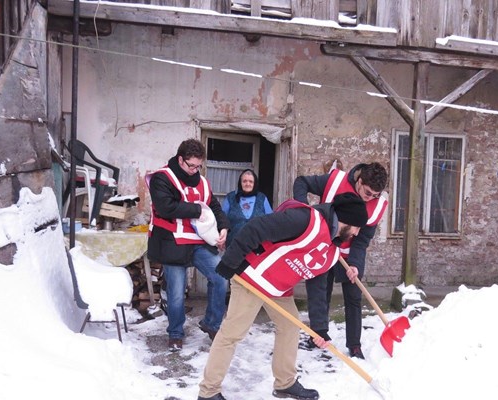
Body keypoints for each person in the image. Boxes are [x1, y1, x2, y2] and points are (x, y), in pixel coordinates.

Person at [197, 193, 368, 400]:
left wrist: (319, 330)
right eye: (358, 227)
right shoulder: (305, 220)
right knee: (232, 333)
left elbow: (318, 288)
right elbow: (256, 227)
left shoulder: (332, 249)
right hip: (252, 278)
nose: (358, 234)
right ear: (347, 220)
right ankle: (208, 391)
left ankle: (285, 383)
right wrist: (230, 261)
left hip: (278, 288)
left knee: (290, 326)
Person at [293, 162, 388, 359]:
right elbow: (301, 182)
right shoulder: (335, 181)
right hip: (324, 246)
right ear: (359, 181)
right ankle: (318, 334)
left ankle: (354, 345)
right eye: (368, 193)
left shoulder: (377, 205)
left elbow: (361, 240)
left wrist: (355, 265)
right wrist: (304, 211)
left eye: (376, 195)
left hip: (349, 252)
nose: (370, 198)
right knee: (321, 291)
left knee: (354, 296)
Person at [147, 139, 230, 351]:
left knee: (220, 277)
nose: (194, 170)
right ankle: (175, 333)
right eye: (191, 165)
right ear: (180, 159)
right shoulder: (161, 178)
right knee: (175, 293)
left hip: (198, 244)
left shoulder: (202, 182)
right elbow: (166, 207)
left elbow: (215, 206)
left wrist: (223, 227)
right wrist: (197, 210)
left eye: (198, 166)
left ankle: (212, 324)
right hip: (172, 243)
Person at [222, 169, 273, 246]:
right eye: (244, 181)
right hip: (233, 246)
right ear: (240, 183)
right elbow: (222, 219)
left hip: (257, 246)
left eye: (251, 181)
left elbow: (270, 220)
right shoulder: (231, 197)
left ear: (254, 183)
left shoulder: (262, 198)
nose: (247, 184)